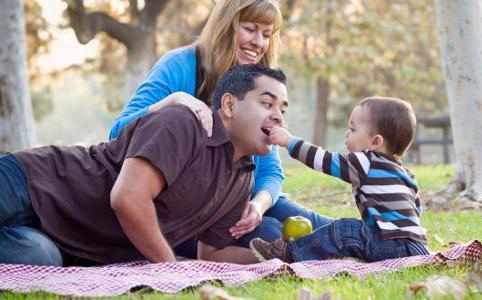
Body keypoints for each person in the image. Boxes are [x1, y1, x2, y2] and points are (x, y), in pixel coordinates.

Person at [0, 64, 288, 266]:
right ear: (229, 105)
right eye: (267, 103)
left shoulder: (243, 179)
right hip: (31, 182)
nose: (278, 117)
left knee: (38, 258)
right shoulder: (184, 123)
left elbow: (211, 255)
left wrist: (278, 255)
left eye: (282, 109)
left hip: (60, 239)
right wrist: (170, 266)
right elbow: (128, 198)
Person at [108, 0, 332, 259]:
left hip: (239, 201)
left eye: (267, 34)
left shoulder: (261, 85)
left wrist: (258, 205)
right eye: (250, 29)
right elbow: (118, 134)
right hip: (187, 207)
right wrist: (175, 100)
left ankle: (381, 241)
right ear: (227, 26)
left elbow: (270, 171)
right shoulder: (181, 65)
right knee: (271, 234)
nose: (259, 42)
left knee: (323, 227)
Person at [250, 97, 429, 262]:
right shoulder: (406, 174)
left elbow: (323, 160)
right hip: (417, 246)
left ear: (375, 142)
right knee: (357, 232)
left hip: (392, 244)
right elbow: (414, 210)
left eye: (353, 129)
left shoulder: (366, 161)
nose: (347, 133)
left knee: (345, 229)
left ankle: (289, 253)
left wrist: (288, 141)